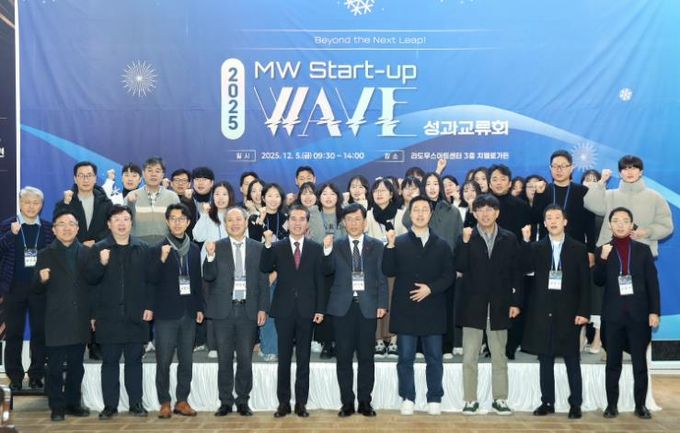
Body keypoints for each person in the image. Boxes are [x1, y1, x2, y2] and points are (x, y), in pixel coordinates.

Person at [383, 196, 455, 416]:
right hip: (406, 310)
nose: (421, 214)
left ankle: (435, 397)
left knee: (434, 358)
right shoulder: (399, 241)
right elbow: (388, 270)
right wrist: (390, 245)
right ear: (410, 214)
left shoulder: (442, 244)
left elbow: (449, 276)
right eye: (416, 210)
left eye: (425, 209)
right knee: (405, 358)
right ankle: (408, 397)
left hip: (433, 309)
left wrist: (430, 289)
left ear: (431, 214)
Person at [519, 204, 590, 419]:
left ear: (565, 221)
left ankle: (575, 404)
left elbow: (585, 283)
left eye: (557, 217)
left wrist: (583, 311)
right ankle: (547, 402)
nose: (553, 221)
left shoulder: (578, 248)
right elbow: (524, 268)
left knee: (572, 360)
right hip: (543, 311)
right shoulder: (536, 247)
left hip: (569, 312)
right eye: (548, 218)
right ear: (544, 222)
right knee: (545, 360)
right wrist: (525, 242)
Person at [455, 194, 523, 416]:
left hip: (500, 305)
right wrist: (465, 242)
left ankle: (500, 399)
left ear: (497, 213)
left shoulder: (509, 238)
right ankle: (470, 399)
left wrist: (516, 302)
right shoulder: (467, 236)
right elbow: (459, 266)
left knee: (499, 356)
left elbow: (516, 272)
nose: (485, 214)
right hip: (472, 305)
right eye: (480, 209)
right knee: (469, 357)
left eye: (490, 209)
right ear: (474, 213)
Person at [84, 204, 153, 420]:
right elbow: (90, 282)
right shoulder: (99, 249)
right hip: (108, 317)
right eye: (116, 220)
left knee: (134, 363)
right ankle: (110, 406)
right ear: (109, 224)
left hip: (136, 316)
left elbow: (151, 282)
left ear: (131, 222)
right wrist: (101, 264)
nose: (121, 224)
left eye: (125, 219)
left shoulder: (143, 248)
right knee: (110, 363)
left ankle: (136, 404)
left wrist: (150, 307)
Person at [594, 207, 660, 420]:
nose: (620, 224)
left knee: (640, 364)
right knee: (613, 363)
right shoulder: (603, 249)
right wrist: (602, 259)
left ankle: (640, 405)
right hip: (613, 316)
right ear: (610, 225)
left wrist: (654, 311)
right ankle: (611, 405)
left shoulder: (643, 250)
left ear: (632, 225)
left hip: (639, 316)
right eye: (616, 220)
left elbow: (652, 283)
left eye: (625, 220)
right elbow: (598, 281)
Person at [203, 206, 269, 417]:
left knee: (245, 360)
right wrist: (210, 257)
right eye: (230, 220)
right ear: (225, 224)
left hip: (248, 311)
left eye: (238, 219)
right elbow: (208, 277)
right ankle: (225, 401)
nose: (234, 223)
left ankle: (242, 401)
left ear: (246, 222)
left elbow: (263, 282)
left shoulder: (258, 248)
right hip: (224, 311)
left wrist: (263, 308)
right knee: (224, 360)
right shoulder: (216, 246)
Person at [260, 205, 325, 418]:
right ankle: (283, 403)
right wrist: (267, 244)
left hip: (307, 310)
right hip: (284, 309)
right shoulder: (277, 247)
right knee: (284, 358)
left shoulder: (315, 248)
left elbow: (320, 281)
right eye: (293, 219)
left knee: (304, 359)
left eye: (301, 219)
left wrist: (320, 309)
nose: (297, 223)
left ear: (307, 223)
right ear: (288, 223)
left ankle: (301, 403)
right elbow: (264, 267)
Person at [323, 203, 388, 417]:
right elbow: (327, 271)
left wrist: (382, 303)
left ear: (364, 222)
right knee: (343, 357)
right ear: (344, 222)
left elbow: (382, 278)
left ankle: (365, 402)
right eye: (349, 220)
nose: (353, 223)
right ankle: (347, 403)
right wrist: (326, 251)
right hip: (342, 308)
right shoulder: (336, 245)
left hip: (368, 307)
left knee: (366, 357)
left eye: (357, 219)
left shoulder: (376, 246)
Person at [33, 210, 91, 421]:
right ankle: (57, 406)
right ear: (54, 230)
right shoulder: (44, 254)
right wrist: (41, 279)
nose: (67, 228)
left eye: (71, 224)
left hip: (79, 318)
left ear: (77, 228)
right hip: (55, 319)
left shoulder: (87, 252)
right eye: (62, 224)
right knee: (55, 368)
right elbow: (35, 290)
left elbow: (94, 286)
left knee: (76, 366)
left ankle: (73, 403)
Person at [149, 203, 204, 419]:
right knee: (163, 361)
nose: (177, 223)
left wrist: (199, 308)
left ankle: (182, 401)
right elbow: (150, 279)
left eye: (181, 219)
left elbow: (197, 282)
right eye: (173, 219)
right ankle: (164, 401)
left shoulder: (195, 249)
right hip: (165, 314)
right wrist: (161, 259)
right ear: (167, 221)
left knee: (186, 360)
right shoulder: (158, 248)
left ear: (188, 222)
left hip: (189, 313)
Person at [0, 186, 54, 392]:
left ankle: (36, 375)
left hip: (40, 289)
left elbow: (54, 255)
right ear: (20, 204)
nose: (31, 206)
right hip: (14, 288)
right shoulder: (8, 225)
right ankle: (14, 377)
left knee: (40, 333)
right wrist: (10, 235)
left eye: (35, 203)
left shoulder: (48, 228)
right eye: (27, 202)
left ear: (41, 205)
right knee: (13, 333)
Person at [584, 155, 673, 257]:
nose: (629, 172)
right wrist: (601, 182)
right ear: (620, 173)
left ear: (641, 172)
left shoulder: (655, 197)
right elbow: (590, 204)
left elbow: (666, 226)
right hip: (610, 252)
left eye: (634, 168)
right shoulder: (610, 195)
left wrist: (647, 232)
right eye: (625, 169)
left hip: (642, 253)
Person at [365, 178, 407, 357]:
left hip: (396, 264)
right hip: (373, 265)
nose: (379, 193)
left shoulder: (401, 214)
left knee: (393, 301)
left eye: (383, 190)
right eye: (376, 190)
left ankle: (394, 341)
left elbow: (406, 239)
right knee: (375, 301)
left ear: (391, 194)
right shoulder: (367, 215)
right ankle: (378, 340)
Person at [532, 150, 596, 262]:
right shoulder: (544, 191)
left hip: (575, 249)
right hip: (547, 249)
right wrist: (539, 195)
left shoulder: (582, 191)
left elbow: (590, 224)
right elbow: (535, 218)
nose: (559, 170)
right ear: (550, 168)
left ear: (572, 168)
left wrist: (591, 250)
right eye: (555, 166)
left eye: (563, 166)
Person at [55, 161, 113, 247]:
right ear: (75, 179)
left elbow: (112, 228)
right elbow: (58, 227)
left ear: (95, 178)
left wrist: (96, 241)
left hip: (99, 250)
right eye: (81, 176)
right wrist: (65, 204)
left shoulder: (106, 202)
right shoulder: (66, 202)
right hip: (73, 250)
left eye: (89, 175)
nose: (85, 180)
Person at [126, 156, 180, 245]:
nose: (153, 174)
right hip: (138, 247)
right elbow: (125, 222)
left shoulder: (172, 197)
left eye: (157, 171)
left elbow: (177, 224)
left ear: (163, 175)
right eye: (150, 170)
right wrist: (130, 203)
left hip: (165, 247)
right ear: (143, 173)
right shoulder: (131, 196)